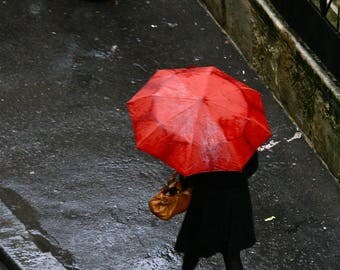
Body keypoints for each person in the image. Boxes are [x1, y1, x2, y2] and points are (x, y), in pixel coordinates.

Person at [175, 152, 258, 270]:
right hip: (235, 201)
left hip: (206, 202)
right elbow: (252, 167)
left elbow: (188, 177)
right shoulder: (241, 138)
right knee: (231, 254)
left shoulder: (199, 143)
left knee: (193, 249)